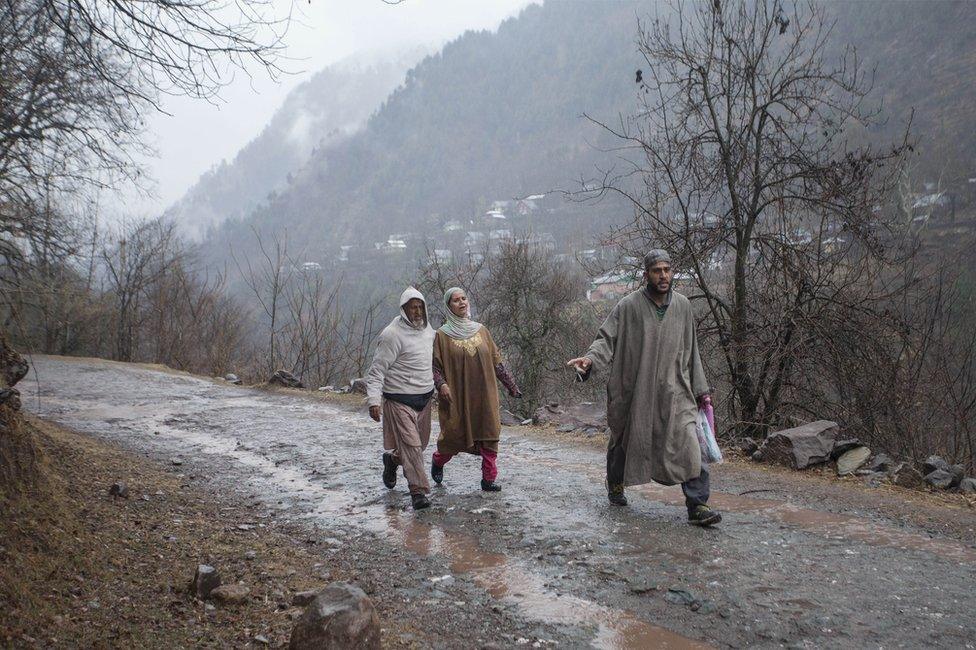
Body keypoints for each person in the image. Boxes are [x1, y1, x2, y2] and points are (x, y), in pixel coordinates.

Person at [567, 249, 722, 526]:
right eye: (656, 271)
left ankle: (698, 505)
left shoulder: (684, 306)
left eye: (667, 270)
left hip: (676, 393)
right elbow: (606, 339)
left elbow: (692, 350)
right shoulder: (628, 306)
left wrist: (701, 390)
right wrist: (589, 360)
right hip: (635, 392)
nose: (663, 276)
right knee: (625, 441)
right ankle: (615, 484)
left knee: (689, 445)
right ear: (646, 274)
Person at [431, 287, 521, 491]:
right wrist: (441, 384)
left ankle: (488, 479)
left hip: (484, 395)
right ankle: (438, 461)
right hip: (458, 396)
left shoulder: (482, 330)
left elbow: (497, 362)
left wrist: (511, 386)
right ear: (448, 306)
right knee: (454, 437)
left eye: (464, 298)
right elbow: (435, 367)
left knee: (489, 433)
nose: (462, 303)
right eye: (456, 300)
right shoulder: (442, 336)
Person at [366, 287, 436, 510]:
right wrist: (373, 401)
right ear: (404, 309)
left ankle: (392, 460)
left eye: (420, 307)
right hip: (399, 400)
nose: (417, 312)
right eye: (412, 307)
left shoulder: (428, 331)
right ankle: (419, 493)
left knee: (420, 445)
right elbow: (376, 371)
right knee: (413, 447)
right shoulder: (391, 335)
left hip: (424, 400)